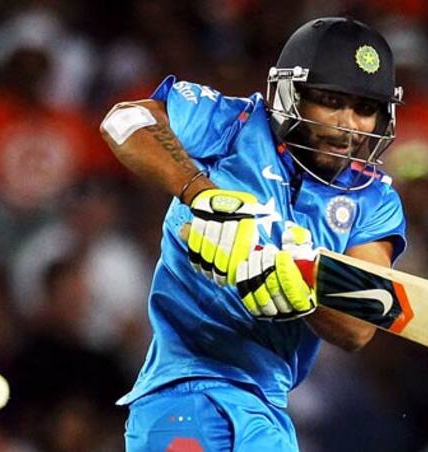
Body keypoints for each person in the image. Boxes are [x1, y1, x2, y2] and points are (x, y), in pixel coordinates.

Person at [100, 17, 407, 451]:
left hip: (268, 412)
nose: (348, 125)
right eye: (331, 101)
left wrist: (297, 280)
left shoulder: (374, 199)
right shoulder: (233, 124)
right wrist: (202, 194)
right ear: (291, 95)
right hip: (183, 389)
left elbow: (358, 328)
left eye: (364, 109)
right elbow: (124, 121)